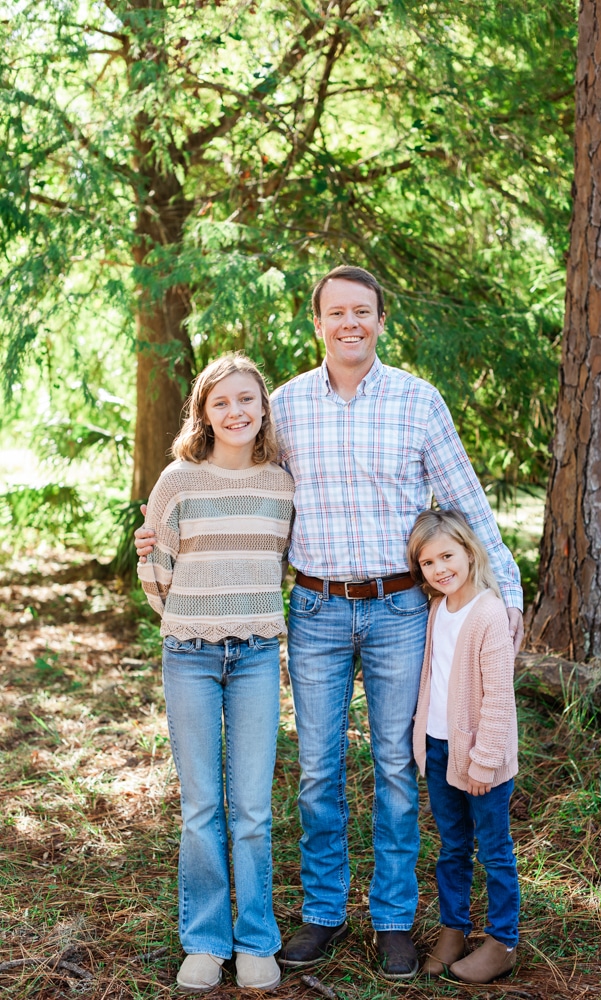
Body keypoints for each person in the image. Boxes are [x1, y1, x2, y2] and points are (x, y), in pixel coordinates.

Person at [137, 265, 523, 981]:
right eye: (335, 313)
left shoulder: (417, 401)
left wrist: (510, 590)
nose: (349, 323)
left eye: (362, 312)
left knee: (396, 770)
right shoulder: (284, 408)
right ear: (316, 324)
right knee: (316, 771)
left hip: (399, 608)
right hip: (312, 609)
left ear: (379, 320)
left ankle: (392, 920)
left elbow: (464, 500)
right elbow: (238, 486)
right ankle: (321, 913)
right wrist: (163, 536)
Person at [137, 354, 294, 995]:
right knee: (202, 806)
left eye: (247, 401)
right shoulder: (178, 480)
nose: (236, 412)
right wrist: (191, 615)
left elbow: (281, 562)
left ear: (263, 410)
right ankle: (204, 940)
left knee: (252, 809)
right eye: (221, 402)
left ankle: (256, 939)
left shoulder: (282, 483)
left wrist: (245, 608)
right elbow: (157, 569)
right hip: (191, 657)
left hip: (258, 655)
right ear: (203, 413)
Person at [408, 508, 520, 984]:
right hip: (438, 749)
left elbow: (498, 696)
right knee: (452, 847)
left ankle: (502, 941)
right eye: (427, 563)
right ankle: (454, 930)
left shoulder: (489, 612)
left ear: (470, 553)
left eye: (447, 556)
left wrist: (484, 761)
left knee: (493, 849)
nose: (439, 569)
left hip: (481, 757)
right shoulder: (438, 608)